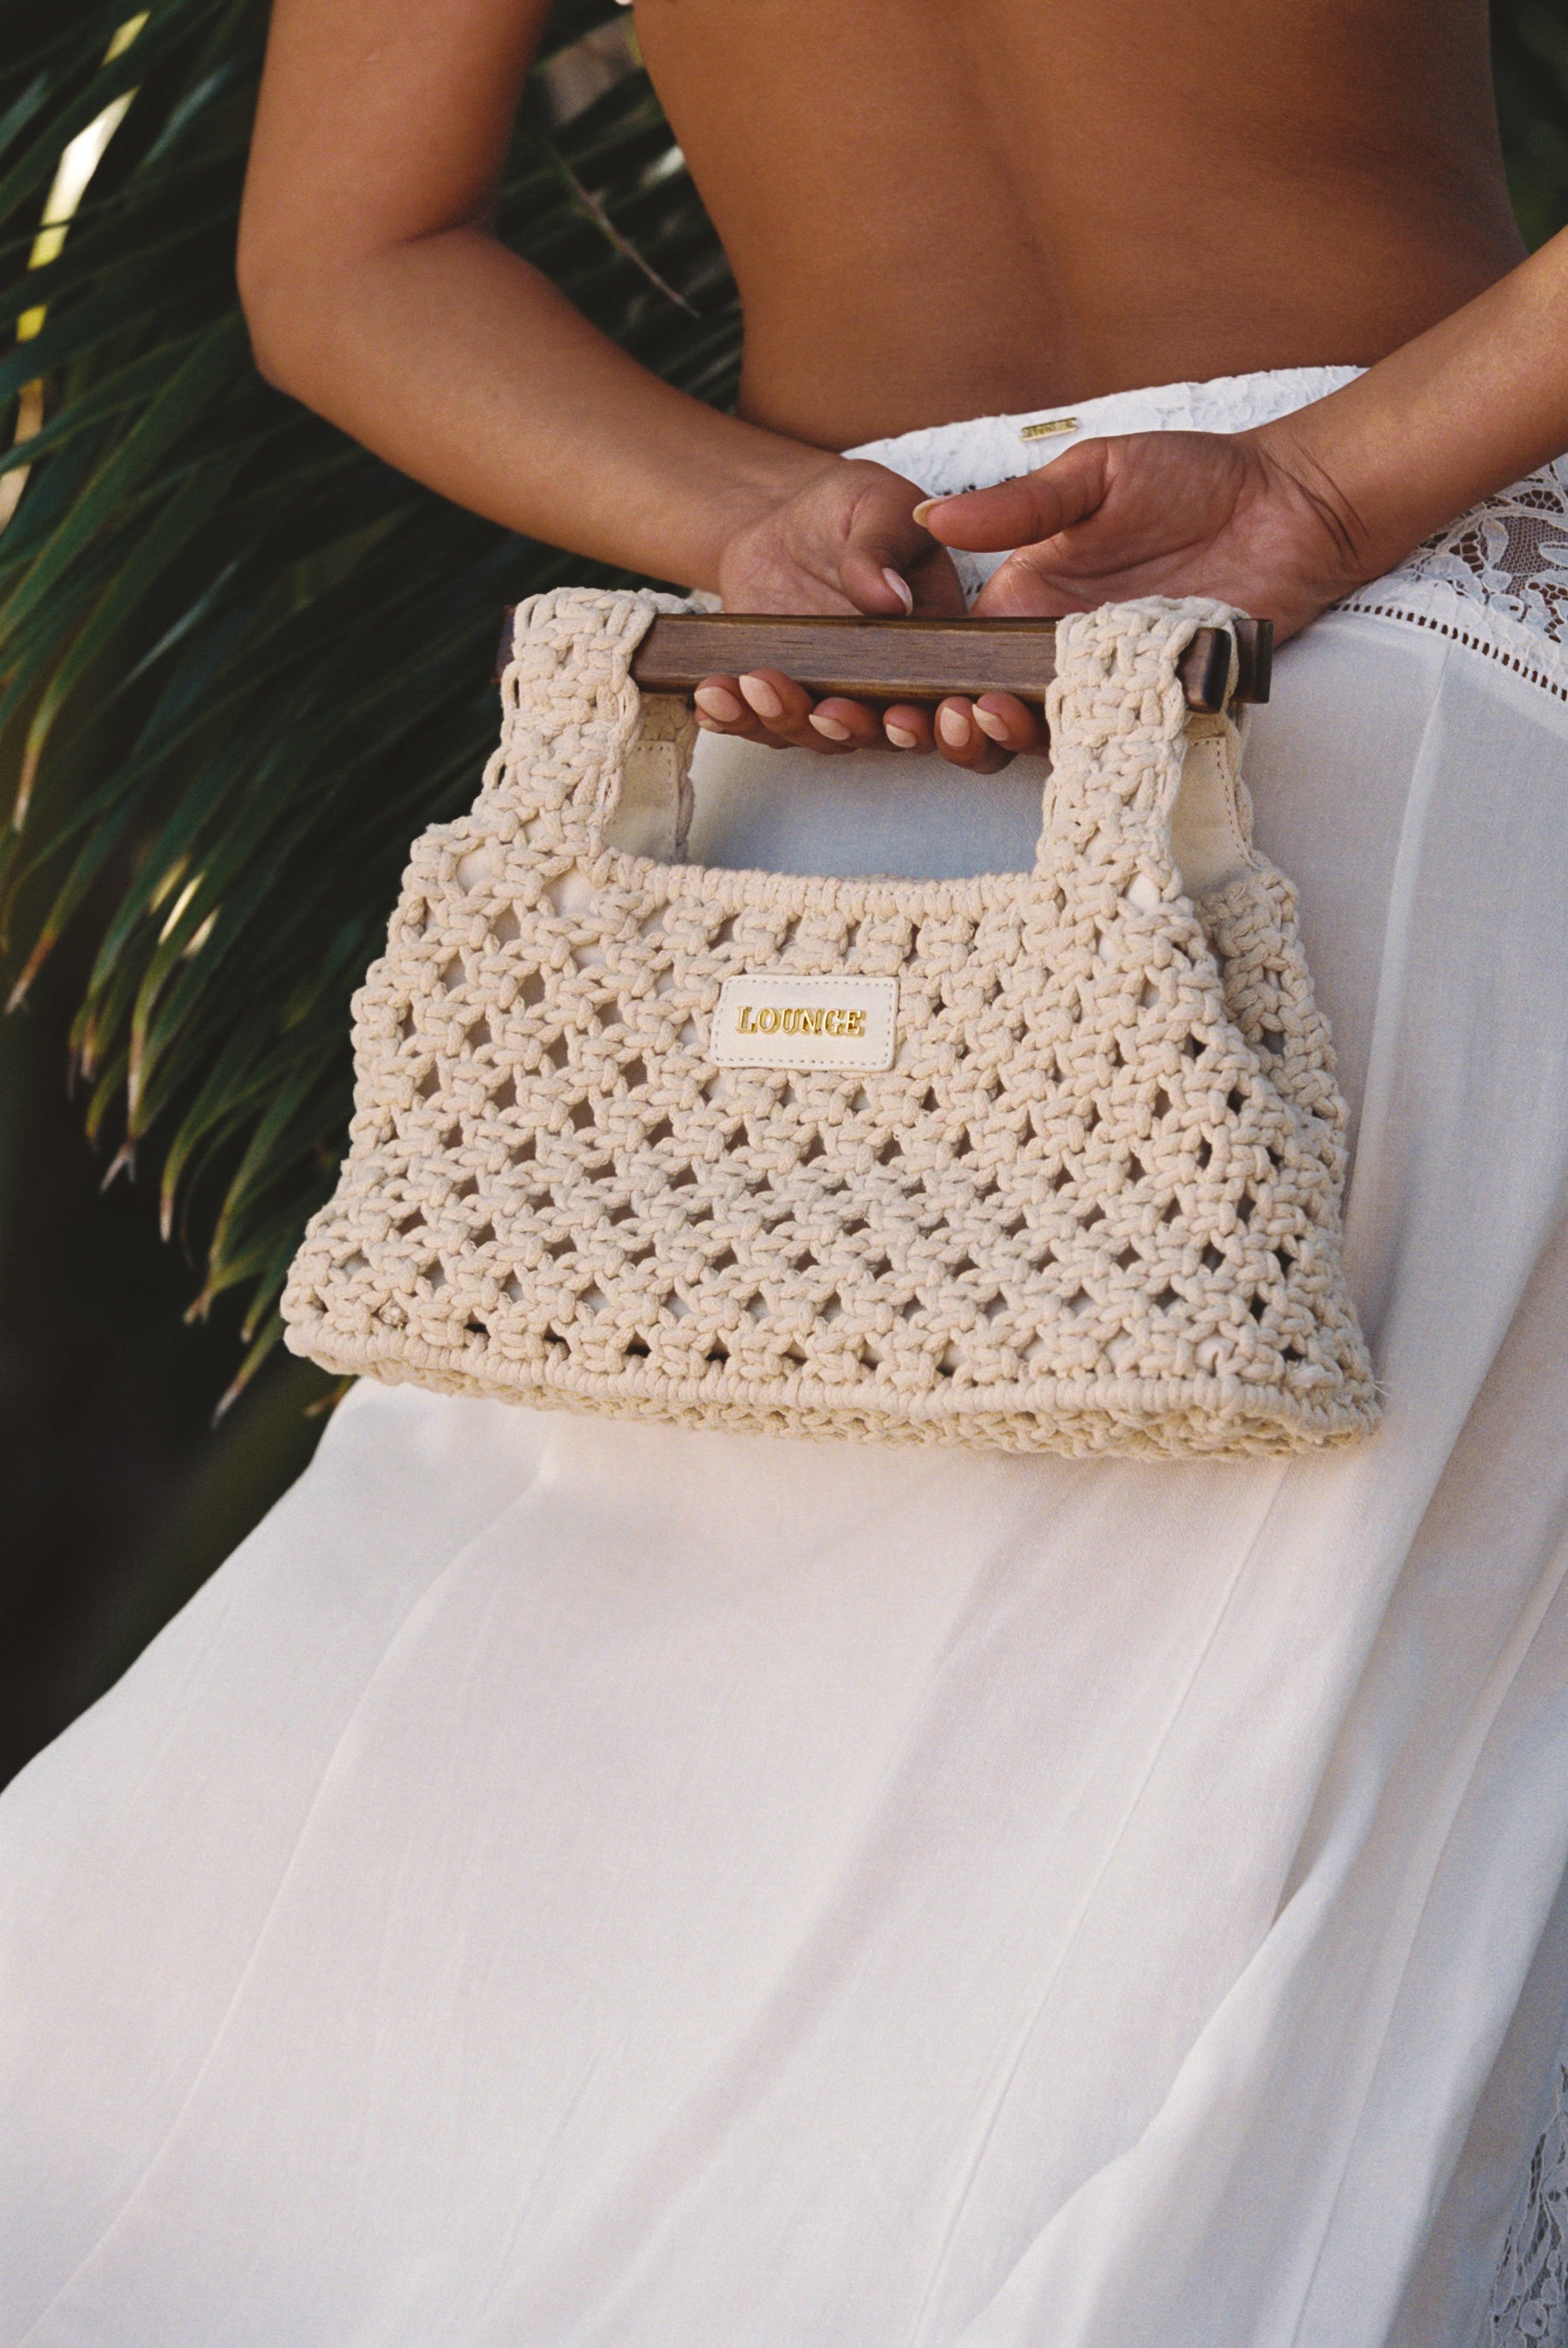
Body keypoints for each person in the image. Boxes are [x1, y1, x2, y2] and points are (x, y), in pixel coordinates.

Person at [4, 1, 1568, 2340]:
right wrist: (1323, 495)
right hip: (1379, 641)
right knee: (1284, 1849)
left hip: (838, 706)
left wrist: (749, 531)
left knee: (562, 1770)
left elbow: (345, 261)